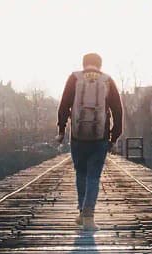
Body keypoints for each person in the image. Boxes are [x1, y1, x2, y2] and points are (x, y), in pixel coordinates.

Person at [55, 53, 124, 231]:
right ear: (100, 65)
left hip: (78, 136)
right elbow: (118, 110)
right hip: (99, 137)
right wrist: (114, 136)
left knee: (81, 173)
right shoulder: (107, 80)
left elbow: (64, 105)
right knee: (94, 176)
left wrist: (61, 130)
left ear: (84, 64)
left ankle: (82, 211)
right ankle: (88, 215)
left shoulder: (74, 78)